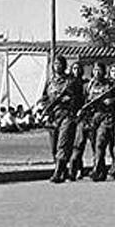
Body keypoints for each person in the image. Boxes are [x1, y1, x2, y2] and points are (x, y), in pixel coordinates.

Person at [40, 55, 83, 183]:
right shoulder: (50, 81)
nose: (57, 66)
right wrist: (44, 107)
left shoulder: (71, 81)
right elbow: (44, 97)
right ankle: (63, 170)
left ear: (64, 66)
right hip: (53, 116)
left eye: (60, 64)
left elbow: (80, 99)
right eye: (55, 64)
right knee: (54, 147)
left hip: (67, 115)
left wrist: (70, 101)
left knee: (63, 144)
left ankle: (58, 172)